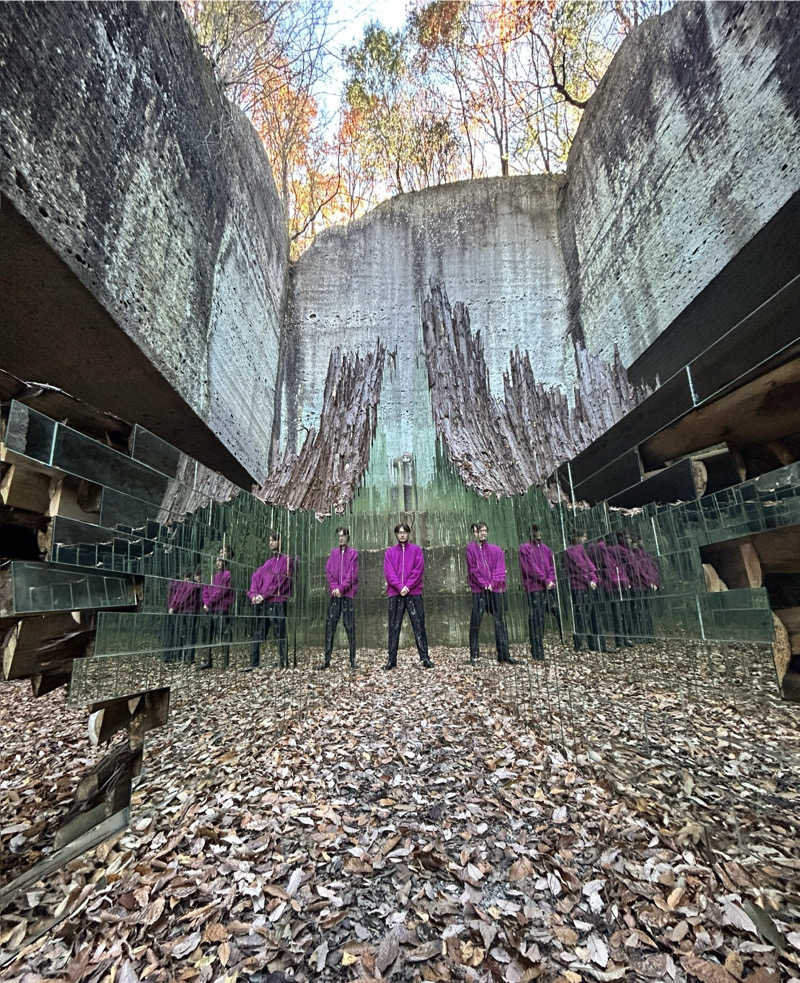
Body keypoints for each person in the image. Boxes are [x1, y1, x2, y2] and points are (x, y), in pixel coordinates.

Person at [383, 522, 433, 670]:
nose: (402, 534)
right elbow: (389, 572)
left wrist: (408, 586)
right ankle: (391, 660)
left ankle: (425, 658)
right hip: (395, 594)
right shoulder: (390, 552)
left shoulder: (417, 550)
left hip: (414, 593)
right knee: (394, 627)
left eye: (405, 532)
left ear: (409, 534)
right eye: (399, 532)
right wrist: (400, 587)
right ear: (396, 535)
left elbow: (418, 570)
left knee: (419, 626)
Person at [466, 522, 517, 665]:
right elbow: (473, 569)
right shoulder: (470, 549)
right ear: (473, 533)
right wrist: (484, 584)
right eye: (477, 531)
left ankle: (504, 655)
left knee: (500, 621)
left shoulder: (496, 550)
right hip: (479, 590)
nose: (481, 533)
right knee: (476, 622)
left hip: (496, 590)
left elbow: (500, 569)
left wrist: (492, 583)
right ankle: (474, 656)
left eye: (483, 530)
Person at [248, 530, 294, 669]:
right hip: (265, 603)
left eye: (273, 540)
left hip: (278, 602)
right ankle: (254, 664)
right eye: (269, 540)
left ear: (280, 542)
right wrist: (254, 595)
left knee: (280, 634)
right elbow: (256, 577)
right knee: (258, 633)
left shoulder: (287, 561)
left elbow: (280, 582)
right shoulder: (268, 563)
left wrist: (263, 595)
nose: (270, 543)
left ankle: (283, 662)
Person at [320, 526, 358, 669]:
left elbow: (352, 574)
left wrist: (341, 588)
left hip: (347, 595)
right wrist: (334, 588)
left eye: (343, 535)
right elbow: (328, 572)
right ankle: (327, 660)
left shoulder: (353, 554)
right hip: (335, 595)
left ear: (348, 537)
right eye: (339, 536)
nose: (341, 538)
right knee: (330, 626)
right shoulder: (333, 553)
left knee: (350, 627)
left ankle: (352, 660)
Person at [519, 524, 557, 661]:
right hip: (534, 587)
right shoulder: (525, 549)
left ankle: (539, 648)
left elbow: (552, 567)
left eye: (539, 531)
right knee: (535, 617)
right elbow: (529, 568)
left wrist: (550, 580)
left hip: (546, 587)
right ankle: (536, 649)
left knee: (542, 619)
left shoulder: (546, 549)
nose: (538, 534)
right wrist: (545, 580)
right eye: (535, 532)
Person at [564, 532, 601, 652]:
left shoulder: (580, 549)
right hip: (578, 586)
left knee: (590, 615)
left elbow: (589, 565)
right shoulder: (570, 551)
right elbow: (578, 567)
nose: (585, 538)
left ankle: (592, 643)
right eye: (583, 536)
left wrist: (594, 577)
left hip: (587, 585)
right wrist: (589, 580)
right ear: (576, 537)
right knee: (581, 617)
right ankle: (580, 644)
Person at [201, 555, 234, 669]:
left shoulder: (227, 575)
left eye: (220, 561)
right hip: (211, 609)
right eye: (217, 561)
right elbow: (206, 590)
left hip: (222, 609)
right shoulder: (213, 576)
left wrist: (209, 602)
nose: (218, 563)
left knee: (224, 635)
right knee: (209, 635)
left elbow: (221, 591)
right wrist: (206, 603)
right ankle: (208, 661)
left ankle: (225, 662)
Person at [165, 566, 203, 664]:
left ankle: (186, 657)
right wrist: (173, 606)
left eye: (189, 577)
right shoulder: (186, 585)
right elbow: (179, 596)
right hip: (185, 612)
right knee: (184, 634)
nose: (187, 580)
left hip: (190, 612)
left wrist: (173, 606)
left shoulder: (194, 586)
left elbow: (183, 597)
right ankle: (182, 656)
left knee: (188, 634)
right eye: (186, 577)